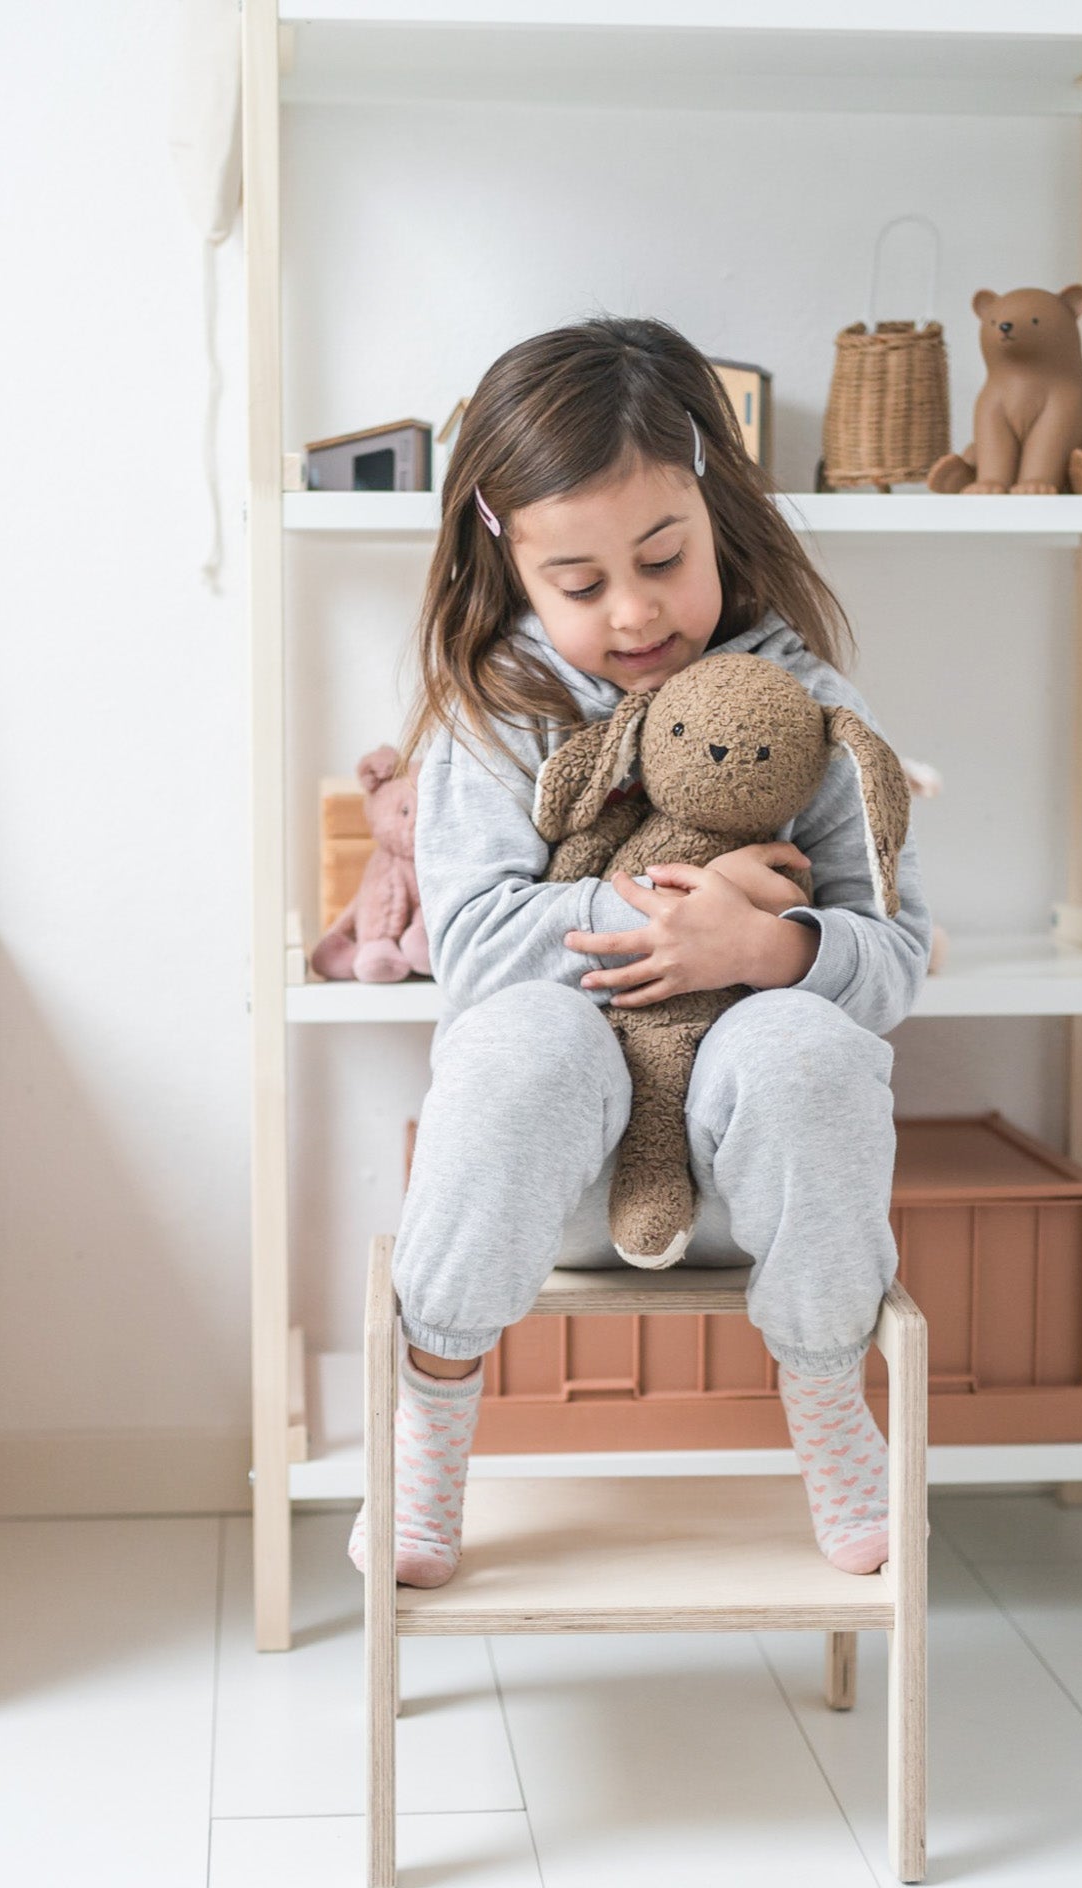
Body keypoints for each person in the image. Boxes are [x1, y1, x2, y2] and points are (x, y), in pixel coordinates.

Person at [350, 315, 933, 1588]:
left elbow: (892, 960)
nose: (632, 611)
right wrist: (651, 907)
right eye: (579, 583)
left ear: (715, 509)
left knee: (808, 1051)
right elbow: (479, 948)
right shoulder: (495, 715)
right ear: (508, 564)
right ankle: (429, 1421)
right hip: (538, 1199)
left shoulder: (807, 710)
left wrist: (767, 946)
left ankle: (831, 1404)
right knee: (521, 1038)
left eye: (663, 558)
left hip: (757, 1198)